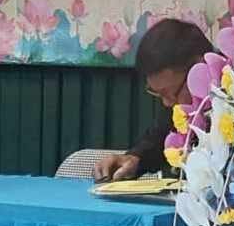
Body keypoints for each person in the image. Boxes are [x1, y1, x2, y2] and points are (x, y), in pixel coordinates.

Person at [92, 18, 214, 180]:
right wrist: (134, 158)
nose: (167, 102)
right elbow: (158, 139)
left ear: (200, 67)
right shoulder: (176, 102)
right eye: (158, 93)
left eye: (170, 93)